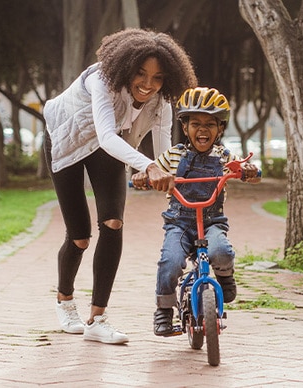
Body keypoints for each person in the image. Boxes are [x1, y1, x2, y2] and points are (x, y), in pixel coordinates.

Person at [42, 28, 197, 344]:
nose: (147, 85)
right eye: (140, 74)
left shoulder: (161, 103)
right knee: (80, 237)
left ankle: (97, 319)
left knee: (113, 223)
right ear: (126, 68)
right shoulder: (101, 80)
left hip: (108, 148)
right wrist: (147, 165)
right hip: (67, 141)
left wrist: (164, 171)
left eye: (157, 78)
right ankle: (64, 299)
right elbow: (107, 135)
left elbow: (163, 148)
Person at [130, 87, 261, 337]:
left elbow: (245, 171)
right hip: (180, 223)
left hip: (212, 222)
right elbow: (153, 170)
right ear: (185, 126)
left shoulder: (224, 156)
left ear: (220, 128)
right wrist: (143, 176)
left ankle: (224, 276)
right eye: (196, 123)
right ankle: (164, 311)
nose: (203, 130)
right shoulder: (175, 154)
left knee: (221, 251)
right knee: (170, 262)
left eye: (210, 124)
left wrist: (250, 172)